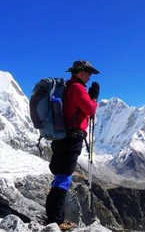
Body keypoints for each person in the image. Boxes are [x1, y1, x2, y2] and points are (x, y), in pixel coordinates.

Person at [45, 60, 100, 230]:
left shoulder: (70, 87)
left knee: (60, 177)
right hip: (71, 139)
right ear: (80, 72)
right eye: (88, 72)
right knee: (63, 178)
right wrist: (93, 98)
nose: (89, 76)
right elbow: (90, 110)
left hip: (64, 138)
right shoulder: (77, 88)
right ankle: (56, 221)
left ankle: (53, 217)